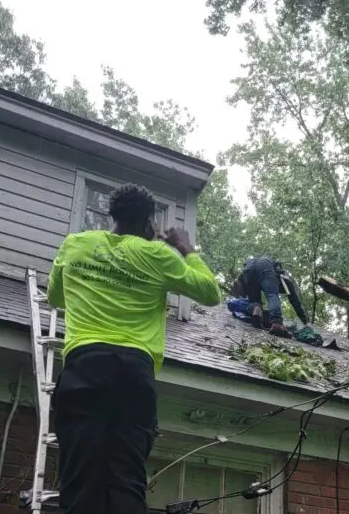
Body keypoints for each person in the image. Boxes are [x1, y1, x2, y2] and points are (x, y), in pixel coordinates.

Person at [46, 183, 221, 514]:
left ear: (113, 217)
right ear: (148, 225)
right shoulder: (156, 255)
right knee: (126, 479)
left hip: (84, 367)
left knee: (80, 480)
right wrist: (186, 248)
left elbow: (56, 298)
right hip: (133, 375)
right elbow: (210, 293)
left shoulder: (76, 245)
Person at [230, 256, 308, 337]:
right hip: (264, 266)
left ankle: (257, 309)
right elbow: (295, 302)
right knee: (272, 295)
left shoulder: (278, 277)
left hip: (248, 271)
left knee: (255, 302)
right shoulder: (287, 283)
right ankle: (277, 324)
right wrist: (304, 320)